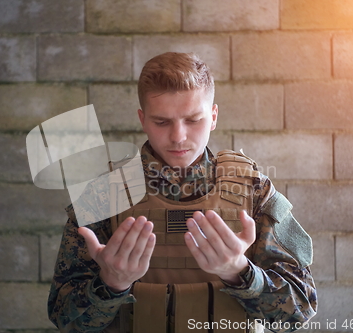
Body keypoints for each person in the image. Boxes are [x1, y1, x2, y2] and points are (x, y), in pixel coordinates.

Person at [48, 52, 317, 333]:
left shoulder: (254, 191)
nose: (178, 136)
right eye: (162, 122)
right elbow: (65, 320)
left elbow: (299, 311)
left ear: (213, 117)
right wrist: (111, 284)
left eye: (193, 120)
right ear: (143, 119)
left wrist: (240, 273)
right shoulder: (104, 196)